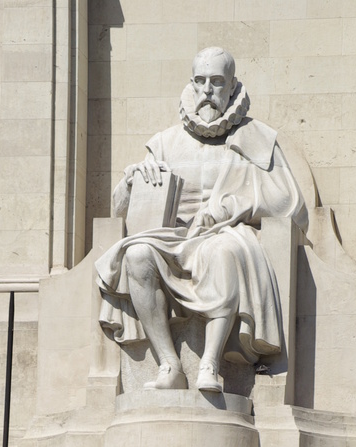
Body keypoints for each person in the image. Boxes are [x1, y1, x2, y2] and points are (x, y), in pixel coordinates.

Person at [96, 46, 307, 393]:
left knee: (223, 251)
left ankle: (210, 364)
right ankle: (169, 365)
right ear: (192, 84)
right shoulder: (165, 143)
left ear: (233, 85)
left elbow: (289, 203)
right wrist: (132, 181)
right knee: (136, 255)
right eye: (201, 80)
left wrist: (231, 207)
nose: (208, 89)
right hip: (175, 238)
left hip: (224, 234)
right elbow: (119, 209)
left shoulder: (256, 137)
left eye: (217, 81)